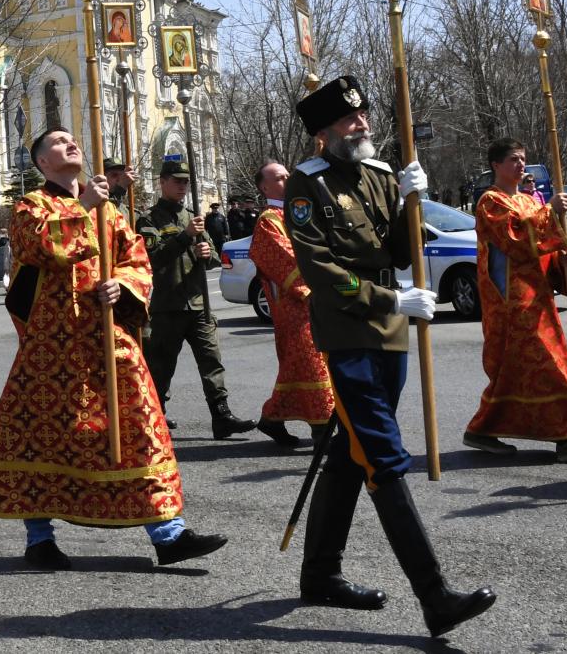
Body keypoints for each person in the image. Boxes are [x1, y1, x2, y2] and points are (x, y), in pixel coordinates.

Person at [284, 75, 494, 637]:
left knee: (352, 455)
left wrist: (409, 201)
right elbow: (321, 271)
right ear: (324, 133)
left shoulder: (380, 175)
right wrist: (389, 297)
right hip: (350, 331)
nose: (364, 124)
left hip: (392, 332)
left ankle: (320, 574)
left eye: (365, 116)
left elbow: (403, 249)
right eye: (351, 120)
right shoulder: (308, 186)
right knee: (381, 455)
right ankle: (435, 596)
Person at [0, 127, 226, 570]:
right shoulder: (31, 205)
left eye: (72, 138)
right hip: (50, 350)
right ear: (42, 162)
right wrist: (84, 207)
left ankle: (168, 533)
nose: (70, 143)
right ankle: (39, 538)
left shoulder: (112, 212)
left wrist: (126, 286)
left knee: (138, 425)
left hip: (109, 338)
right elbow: (38, 246)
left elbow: (137, 259)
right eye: (57, 142)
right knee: (36, 434)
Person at [464, 137, 567, 462]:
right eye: (514, 159)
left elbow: (543, 247)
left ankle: (481, 430)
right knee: (549, 367)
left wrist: (562, 260)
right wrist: (550, 211)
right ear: (496, 165)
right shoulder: (490, 202)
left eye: (523, 159)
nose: (521, 165)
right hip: (511, 304)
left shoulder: (529, 201)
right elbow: (515, 239)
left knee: (514, 374)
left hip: (537, 299)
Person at [142, 159, 255, 438]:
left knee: (211, 361)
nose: (182, 186)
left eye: (185, 182)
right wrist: (184, 237)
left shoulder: (193, 216)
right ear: (163, 182)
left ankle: (221, 416)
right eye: (176, 181)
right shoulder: (149, 219)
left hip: (198, 304)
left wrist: (208, 253)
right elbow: (151, 259)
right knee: (161, 366)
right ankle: (154, 418)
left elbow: (214, 257)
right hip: (169, 306)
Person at [249, 161, 334, 447]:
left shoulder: (299, 211)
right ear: (265, 187)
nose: (288, 180)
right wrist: (316, 285)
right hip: (294, 305)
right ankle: (322, 428)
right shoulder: (269, 220)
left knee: (299, 365)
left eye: (289, 176)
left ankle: (272, 418)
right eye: (280, 178)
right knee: (310, 364)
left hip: (318, 301)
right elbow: (282, 259)